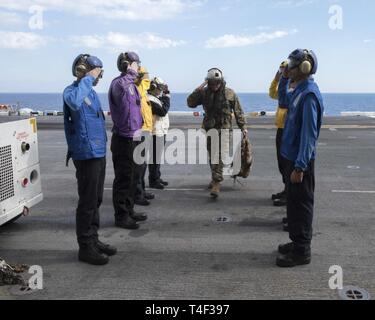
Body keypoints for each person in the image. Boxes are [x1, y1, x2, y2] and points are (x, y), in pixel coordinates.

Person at [63, 54, 117, 266]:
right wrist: (87, 77)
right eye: (96, 72)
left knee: (96, 200)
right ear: (83, 69)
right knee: (87, 202)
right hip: (85, 154)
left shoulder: (92, 93)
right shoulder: (71, 91)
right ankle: (85, 247)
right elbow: (75, 103)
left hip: (98, 153)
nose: (98, 77)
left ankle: (93, 240)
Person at [276, 49, 324, 268]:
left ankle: (302, 251)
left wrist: (300, 166)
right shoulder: (299, 90)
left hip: (299, 162)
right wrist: (284, 78)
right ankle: (296, 242)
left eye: (292, 66)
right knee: (293, 205)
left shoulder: (309, 95)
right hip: (290, 157)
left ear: (304, 68)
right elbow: (283, 100)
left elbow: (309, 135)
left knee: (301, 205)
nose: (289, 68)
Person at [187, 68, 247, 198]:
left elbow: (238, 111)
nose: (215, 86)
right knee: (212, 155)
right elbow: (190, 103)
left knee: (220, 156)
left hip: (225, 129)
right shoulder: (203, 93)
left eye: (217, 82)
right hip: (210, 129)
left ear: (221, 81)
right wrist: (200, 86)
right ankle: (214, 177)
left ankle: (216, 182)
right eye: (212, 83)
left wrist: (243, 127)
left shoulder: (229, 93)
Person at [109, 52, 148, 230]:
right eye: (135, 64)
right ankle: (121, 216)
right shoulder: (118, 83)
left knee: (133, 178)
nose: (138, 67)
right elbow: (122, 88)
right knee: (123, 179)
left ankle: (129, 210)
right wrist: (131, 72)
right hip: (123, 139)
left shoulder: (132, 85)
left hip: (135, 137)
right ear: (127, 65)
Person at [134, 67, 155, 206]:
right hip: (140, 131)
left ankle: (141, 190)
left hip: (146, 130)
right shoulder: (136, 87)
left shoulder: (143, 89)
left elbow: (147, 80)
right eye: (145, 75)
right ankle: (137, 194)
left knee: (143, 165)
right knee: (138, 166)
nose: (147, 77)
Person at [147, 77, 171, 190]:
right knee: (154, 157)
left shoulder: (157, 98)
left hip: (161, 131)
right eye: (160, 88)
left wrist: (164, 96)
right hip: (155, 132)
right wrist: (167, 97)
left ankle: (157, 176)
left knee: (157, 157)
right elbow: (162, 111)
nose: (161, 90)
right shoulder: (150, 99)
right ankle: (153, 180)